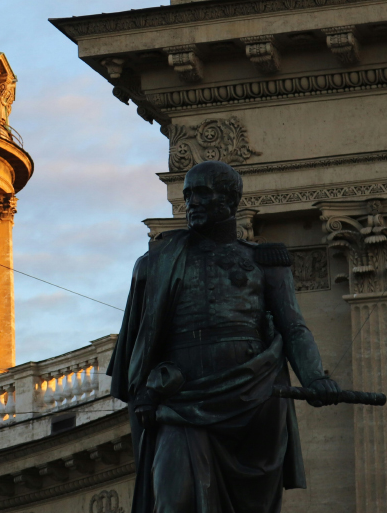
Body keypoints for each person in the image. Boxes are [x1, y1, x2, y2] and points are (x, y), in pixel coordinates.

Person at [110, 160, 340, 513]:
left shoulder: (264, 262)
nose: (192, 203)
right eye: (187, 195)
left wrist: (314, 377)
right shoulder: (155, 262)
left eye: (202, 192)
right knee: (173, 501)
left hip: (252, 398)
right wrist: (145, 389)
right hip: (181, 397)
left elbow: (293, 326)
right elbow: (139, 342)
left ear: (231, 199)